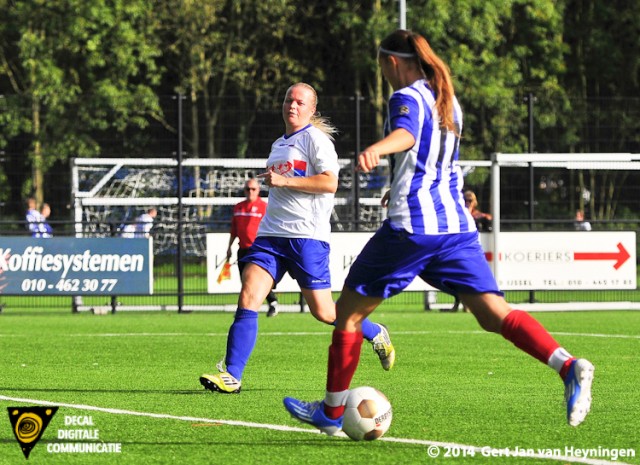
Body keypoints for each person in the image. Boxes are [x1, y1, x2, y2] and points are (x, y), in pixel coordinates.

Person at [283, 29, 593, 432]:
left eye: (382, 67)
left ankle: (330, 413)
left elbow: (409, 135)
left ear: (393, 62)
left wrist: (380, 148)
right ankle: (567, 365)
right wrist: (399, 183)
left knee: (347, 315)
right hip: (455, 229)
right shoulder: (449, 101)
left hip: (412, 228)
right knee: (493, 313)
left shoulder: (407, 96)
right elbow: (433, 157)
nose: (384, 75)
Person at [199, 82, 395, 394]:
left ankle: (374, 331)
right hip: (270, 235)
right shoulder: (278, 144)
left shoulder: (316, 141)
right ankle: (232, 375)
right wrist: (282, 182)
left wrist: (285, 181)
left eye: (300, 102)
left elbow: (331, 183)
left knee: (325, 312)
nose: (292, 105)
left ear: (312, 109)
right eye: (289, 99)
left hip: (307, 238)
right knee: (249, 297)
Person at [228, 178, 279, 317]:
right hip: (242, 249)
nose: (250, 192)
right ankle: (249, 308)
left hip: (257, 249)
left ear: (258, 191)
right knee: (245, 281)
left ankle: (270, 303)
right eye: (247, 189)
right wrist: (229, 247)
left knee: (256, 280)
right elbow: (234, 230)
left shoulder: (264, 207)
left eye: (253, 189)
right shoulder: (238, 207)